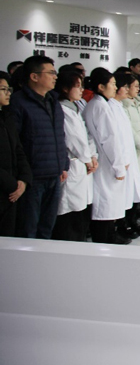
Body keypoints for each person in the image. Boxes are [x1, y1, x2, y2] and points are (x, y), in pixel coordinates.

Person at [10, 55, 67, 239]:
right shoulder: (18, 102)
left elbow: (60, 135)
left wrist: (63, 164)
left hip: (54, 174)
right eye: (51, 73)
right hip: (32, 178)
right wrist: (23, 175)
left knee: (47, 227)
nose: (55, 77)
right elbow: (15, 143)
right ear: (34, 76)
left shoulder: (53, 101)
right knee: (28, 228)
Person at [82, 68, 134, 245]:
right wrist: (119, 166)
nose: (115, 87)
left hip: (107, 162)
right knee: (105, 204)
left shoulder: (101, 104)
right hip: (107, 163)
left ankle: (110, 235)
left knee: (110, 204)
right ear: (101, 86)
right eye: (112, 84)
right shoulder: (100, 106)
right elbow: (110, 140)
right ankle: (105, 239)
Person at [52, 68, 97, 242]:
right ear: (65, 88)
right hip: (74, 164)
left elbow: (87, 135)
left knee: (81, 210)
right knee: (69, 212)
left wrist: (92, 156)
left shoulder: (76, 107)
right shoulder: (63, 109)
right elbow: (74, 140)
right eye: (77, 86)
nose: (81, 90)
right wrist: (87, 159)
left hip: (83, 164)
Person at [118, 72, 140, 238]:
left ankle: (134, 220)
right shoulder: (123, 106)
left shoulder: (138, 104)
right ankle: (126, 223)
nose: (137, 89)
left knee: (139, 189)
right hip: (134, 151)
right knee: (130, 189)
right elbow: (130, 131)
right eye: (134, 86)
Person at [0, 71, 31, 237]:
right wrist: (12, 184)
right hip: (7, 187)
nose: (8, 93)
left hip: (12, 192)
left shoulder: (7, 117)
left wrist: (24, 180)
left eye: (8, 89)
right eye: (3, 89)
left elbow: (19, 150)